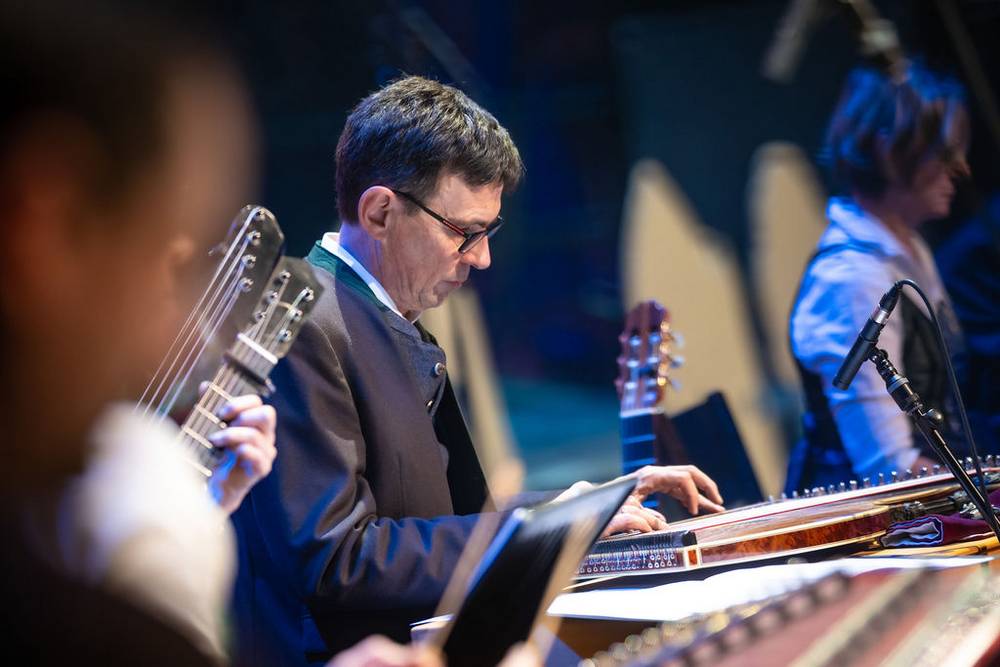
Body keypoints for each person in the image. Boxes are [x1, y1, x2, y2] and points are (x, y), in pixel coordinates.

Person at [231, 75, 725, 666]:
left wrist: (584, 504)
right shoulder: (308, 321)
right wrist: (561, 523)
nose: (483, 258)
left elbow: (440, 524)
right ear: (381, 211)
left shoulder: (372, 316)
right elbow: (339, 558)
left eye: (489, 233)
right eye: (465, 233)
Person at [788, 62, 971, 491]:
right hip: (873, 522)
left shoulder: (909, 247)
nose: (961, 168)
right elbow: (888, 469)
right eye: (944, 153)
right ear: (888, 152)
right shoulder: (851, 280)